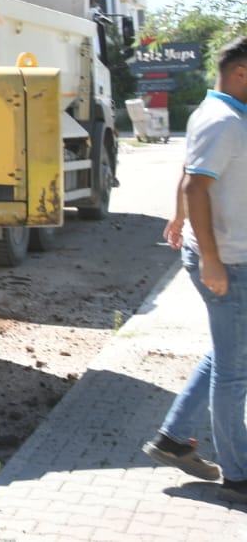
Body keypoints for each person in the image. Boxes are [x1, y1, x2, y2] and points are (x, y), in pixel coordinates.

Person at [142, 35, 247, 498]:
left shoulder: (219, 112)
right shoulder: (225, 120)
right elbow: (196, 186)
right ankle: (239, 472)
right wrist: (210, 258)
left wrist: (180, 217)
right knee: (234, 369)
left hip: (227, 255)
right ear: (242, 73)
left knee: (229, 353)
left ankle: (172, 439)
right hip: (229, 261)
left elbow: (190, 173)